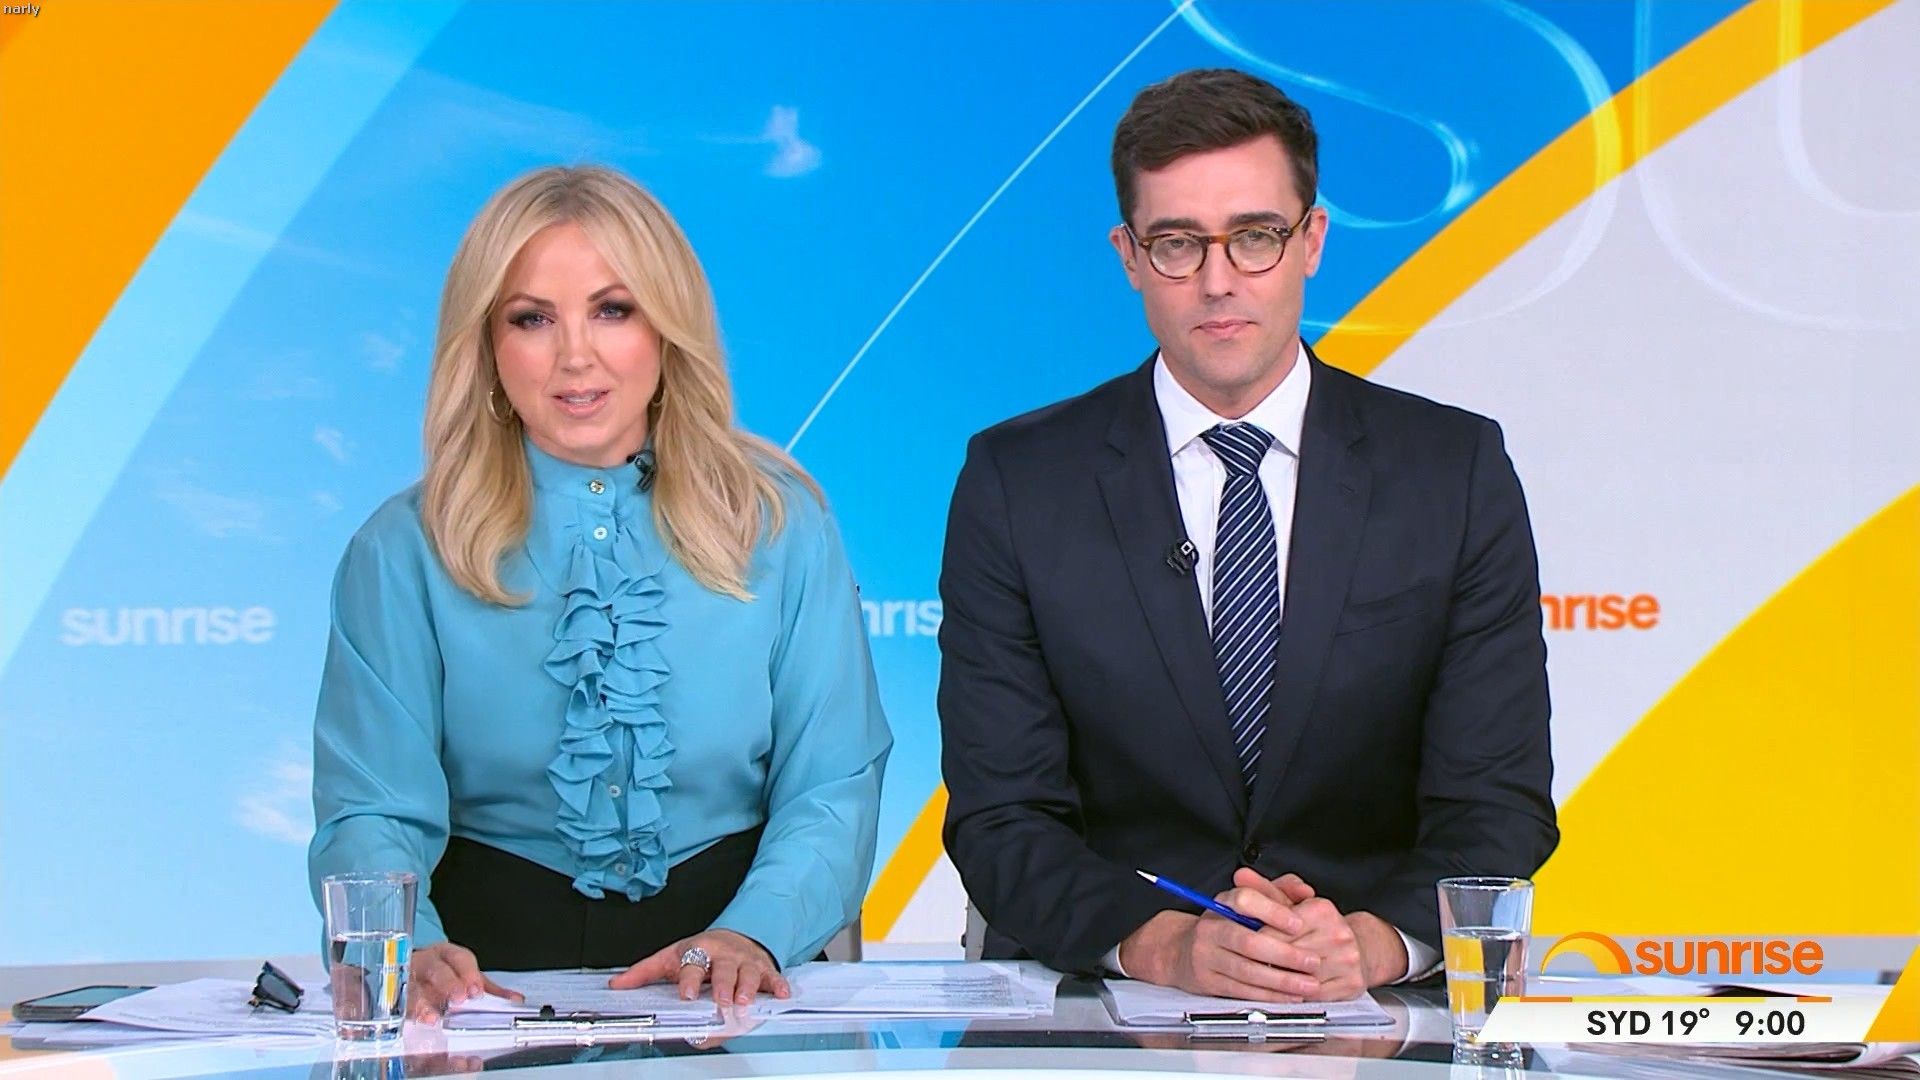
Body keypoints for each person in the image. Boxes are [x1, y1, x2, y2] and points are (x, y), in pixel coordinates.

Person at [938, 69, 1556, 1001]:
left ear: (1312, 241)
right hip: (1109, 999)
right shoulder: (1019, 482)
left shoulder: (1452, 471)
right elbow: (1002, 814)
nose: (1218, 280)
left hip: (1376, 1002)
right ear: (1128, 256)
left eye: (1256, 236)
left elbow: (1496, 800)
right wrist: (1166, 947)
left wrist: (1371, 945)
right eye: (1177, 243)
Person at [308, 164, 891, 1019]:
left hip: (734, 985)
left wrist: (756, 934)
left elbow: (832, 783)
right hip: (485, 992)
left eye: (613, 310)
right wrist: (409, 948)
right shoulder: (401, 550)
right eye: (532, 318)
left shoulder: (781, 523)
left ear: (667, 327)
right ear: (487, 343)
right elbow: (370, 808)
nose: (575, 356)